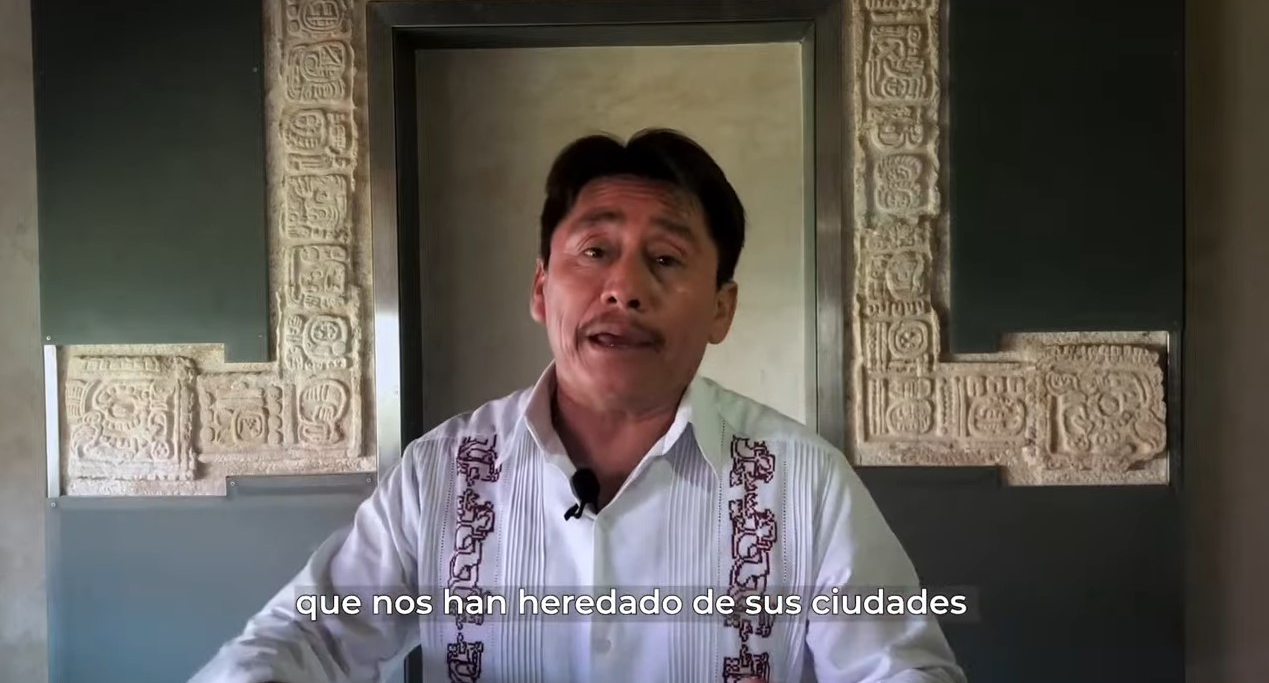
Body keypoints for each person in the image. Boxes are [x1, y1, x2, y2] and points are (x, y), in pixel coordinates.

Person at [190, 128, 967, 683]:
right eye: (594, 252)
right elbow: (312, 638)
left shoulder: (802, 482)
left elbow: (897, 667)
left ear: (720, 308)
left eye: (666, 258)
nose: (624, 287)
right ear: (541, 289)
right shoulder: (442, 474)